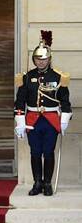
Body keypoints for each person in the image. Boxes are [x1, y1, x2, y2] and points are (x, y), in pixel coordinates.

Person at [14, 30, 71, 197]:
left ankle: (47, 183)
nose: (41, 62)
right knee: (35, 152)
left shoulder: (59, 77)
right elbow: (19, 102)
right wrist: (20, 121)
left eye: (44, 59)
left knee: (48, 151)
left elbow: (65, 101)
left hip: (51, 120)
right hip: (32, 119)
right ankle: (37, 182)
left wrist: (65, 119)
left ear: (49, 59)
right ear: (34, 59)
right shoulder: (26, 77)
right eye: (38, 59)